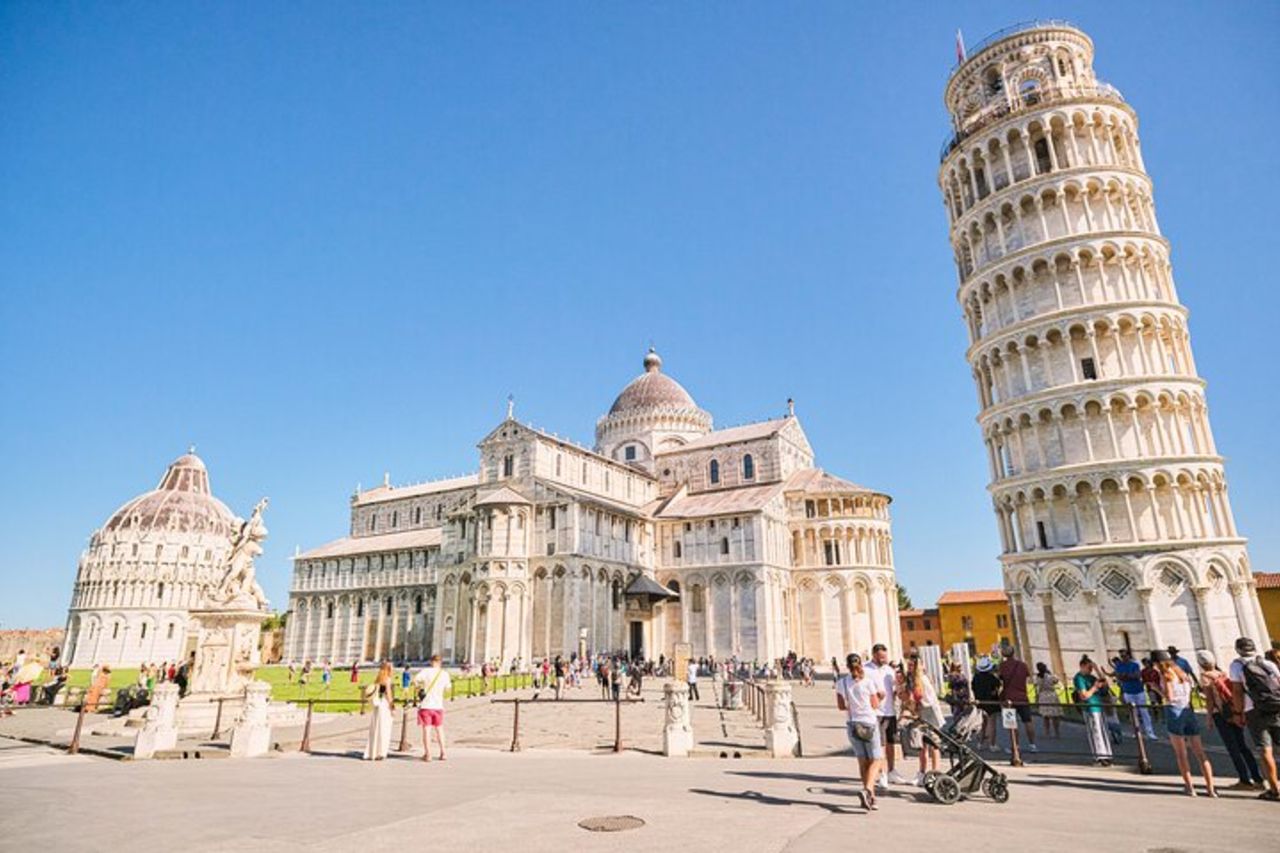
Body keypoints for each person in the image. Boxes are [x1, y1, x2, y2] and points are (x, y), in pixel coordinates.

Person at [1152, 650, 1215, 797]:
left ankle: (1190, 787)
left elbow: (1169, 696)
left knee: (1181, 754)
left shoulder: (1166, 675)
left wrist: (1156, 689)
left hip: (1174, 711)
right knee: (1200, 753)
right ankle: (1210, 788)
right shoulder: (1182, 674)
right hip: (1188, 709)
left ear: (1158, 663)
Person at [1197, 649, 1264, 789]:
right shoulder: (1222, 673)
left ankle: (1244, 780)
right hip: (1234, 712)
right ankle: (1257, 778)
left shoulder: (1205, 677)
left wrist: (1209, 718)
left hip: (1221, 715)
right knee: (1243, 746)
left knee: (1232, 747)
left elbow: (1210, 700)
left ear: (1201, 663)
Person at [1229, 637, 1280, 801]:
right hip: (1276, 707)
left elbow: (1237, 691)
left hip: (1254, 711)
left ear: (1238, 650)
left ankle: (1275, 790)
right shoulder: (1268, 663)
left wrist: (1238, 713)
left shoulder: (1237, 666)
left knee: (1265, 750)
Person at [835, 653, 885, 811]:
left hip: (852, 725)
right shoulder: (868, 682)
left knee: (863, 762)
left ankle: (871, 799)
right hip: (869, 723)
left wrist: (854, 706)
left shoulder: (841, 683)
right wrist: (880, 697)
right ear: (861, 664)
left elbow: (841, 706)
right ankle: (868, 790)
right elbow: (875, 705)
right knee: (876, 760)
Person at [865, 644, 906, 786]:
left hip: (890, 711)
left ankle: (892, 771)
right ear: (874, 655)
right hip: (876, 713)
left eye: (885, 656)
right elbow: (863, 691)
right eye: (881, 657)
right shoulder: (866, 670)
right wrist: (875, 696)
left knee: (891, 743)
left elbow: (894, 689)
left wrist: (898, 690)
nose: (884, 659)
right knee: (880, 744)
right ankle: (882, 773)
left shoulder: (889, 670)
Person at [902, 654, 944, 784]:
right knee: (921, 745)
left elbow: (927, 700)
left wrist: (914, 705)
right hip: (920, 714)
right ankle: (922, 773)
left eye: (911, 665)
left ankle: (935, 772)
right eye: (908, 665)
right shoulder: (911, 680)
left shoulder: (923, 680)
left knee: (933, 745)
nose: (909, 667)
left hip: (929, 715)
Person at [997, 642, 1037, 753]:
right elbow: (1027, 676)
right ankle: (1032, 745)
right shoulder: (1022, 665)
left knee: (1012, 723)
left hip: (1009, 698)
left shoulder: (1003, 666)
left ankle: (1015, 746)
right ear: (1014, 653)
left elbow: (1000, 679)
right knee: (1028, 721)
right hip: (1022, 697)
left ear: (1004, 655)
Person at [1073, 656, 1112, 766]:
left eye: (1091, 668)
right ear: (1082, 666)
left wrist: (1098, 670)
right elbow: (1084, 695)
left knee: (1103, 731)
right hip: (1090, 706)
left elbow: (1105, 685)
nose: (1090, 670)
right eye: (1089, 667)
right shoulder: (1079, 678)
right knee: (1095, 732)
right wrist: (1095, 687)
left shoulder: (1091, 677)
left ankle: (1107, 754)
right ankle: (1100, 756)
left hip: (1098, 705)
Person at [413, 654, 452, 762]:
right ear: (440, 663)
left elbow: (415, 680)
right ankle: (443, 753)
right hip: (438, 706)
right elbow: (448, 688)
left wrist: (420, 688)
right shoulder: (444, 674)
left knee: (426, 730)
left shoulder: (426, 671)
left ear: (431, 662)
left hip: (426, 705)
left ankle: (428, 754)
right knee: (439, 729)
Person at [1112, 649, 1157, 740]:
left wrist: (1125, 676)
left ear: (1128, 656)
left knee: (1144, 712)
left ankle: (1150, 732)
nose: (1123, 658)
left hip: (1139, 690)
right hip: (1128, 691)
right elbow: (1119, 677)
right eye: (1121, 656)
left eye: (1124, 656)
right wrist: (1127, 676)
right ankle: (1137, 732)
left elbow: (1137, 676)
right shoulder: (1119, 666)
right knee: (1133, 713)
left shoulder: (1134, 664)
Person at [363, 662, 394, 761]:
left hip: (377, 705)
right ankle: (381, 752)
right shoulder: (387, 680)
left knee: (375, 729)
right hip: (384, 706)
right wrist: (392, 707)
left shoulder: (378, 679)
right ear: (388, 669)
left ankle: (372, 752)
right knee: (384, 729)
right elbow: (388, 695)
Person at [971, 656, 1002, 752]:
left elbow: (973, 688)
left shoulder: (976, 678)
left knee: (983, 723)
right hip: (992, 702)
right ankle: (992, 744)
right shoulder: (992, 678)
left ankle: (980, 743)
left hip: (980, 702)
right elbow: (998, 687)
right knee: (992, 724)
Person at [1033, 662, 1062, 739]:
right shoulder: (1050, 676)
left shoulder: (1038, 677)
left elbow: (1036, 686)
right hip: (1052, 695)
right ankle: (1057, 732)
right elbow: (1056, 681)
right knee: (1055, 715)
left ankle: (1047, 732)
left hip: (1043, 696)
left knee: (1045, 716)